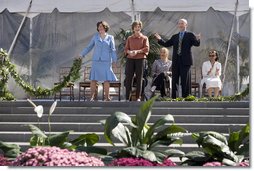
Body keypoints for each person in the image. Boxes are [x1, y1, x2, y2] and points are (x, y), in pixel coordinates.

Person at [154, 18, 200, 98]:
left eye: (182, 23)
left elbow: (196, 44)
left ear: (186, 25)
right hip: (176, 61)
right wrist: (160, 40)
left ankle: (186, 97)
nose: (181, 25)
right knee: (174, 80)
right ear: (178, 25)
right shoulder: (175, 36)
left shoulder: (190, 35)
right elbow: (167, 43)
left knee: (184, 80)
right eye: (179, 23)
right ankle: (174, 97)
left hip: (186, 61)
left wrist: (198, 39)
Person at [80, 21, 117, 101]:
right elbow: (89, 47)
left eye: (102, 26)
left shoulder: (110, 37)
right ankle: (91, 97)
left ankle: (107, 97)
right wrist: (81, 54)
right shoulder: (95, 37)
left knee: (107, 80)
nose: (100, 28)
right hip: (96, 61)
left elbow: (113, 50)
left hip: (106, 61)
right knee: (93, 79)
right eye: (99, 26)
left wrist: (114, 60)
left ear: (105, 27)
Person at [124, 21, 149, 101]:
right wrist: (129, 52)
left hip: (140, 59)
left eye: (139, 27)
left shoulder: (144, 38)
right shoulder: (129, 38)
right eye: (135, 27)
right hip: (130, 59)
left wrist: (137, 51)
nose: (137, 28)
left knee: (139, 78)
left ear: (140, 28)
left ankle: (138, 97)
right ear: (133, 28)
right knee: (129, 78)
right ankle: (128, 97)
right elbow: (126, 49)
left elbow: (146, 48)